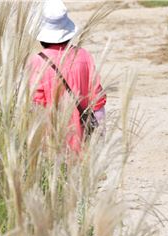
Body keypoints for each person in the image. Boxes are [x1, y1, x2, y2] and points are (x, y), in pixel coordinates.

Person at [28, 0, 106, 153]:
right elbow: (98, 102)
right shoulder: (84, 56)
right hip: (84, 145)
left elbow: (36, 107)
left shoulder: (37, 62)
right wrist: (100, 139)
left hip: (52, 145)